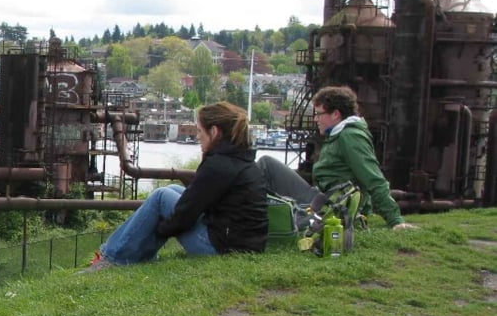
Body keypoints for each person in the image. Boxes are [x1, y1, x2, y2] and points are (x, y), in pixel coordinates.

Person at [86, 101, 267, 269]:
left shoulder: (218, 165)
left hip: (221, 249)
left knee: (161, 197)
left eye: (200, 132)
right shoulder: (241, 159)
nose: (197, 137)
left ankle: (112, 259)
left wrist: (161, 228)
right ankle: (133, 255)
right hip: (241, 243)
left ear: (214, 132)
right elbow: (194, 203)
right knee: (174, 190)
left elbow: (185, 216)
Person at [259, 86, 416, 230]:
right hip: (322, 198)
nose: (315, 119)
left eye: (319, 114)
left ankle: (248, 216)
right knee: (267, 164)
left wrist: (396, 220)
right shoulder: (339, 134)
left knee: (266, 166)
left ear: (335, 114)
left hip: (335, 208)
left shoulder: (350, 137)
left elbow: (373, 179)